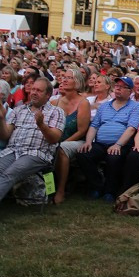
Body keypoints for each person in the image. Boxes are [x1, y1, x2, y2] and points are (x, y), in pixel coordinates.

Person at [0, 77, 65, 226]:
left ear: (48, 95)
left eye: (39, 90)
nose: (34, 92)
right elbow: (5, 136)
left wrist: (41, 125)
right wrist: (1, 119)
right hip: (12, 150)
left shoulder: (56, 112)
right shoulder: (19, 110)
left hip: (36, 153)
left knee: (10, 173)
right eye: (33, 89)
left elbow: (54, 139)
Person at [77, 76, 139, 202]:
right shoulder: (104, 106)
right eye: (117, 86)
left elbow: (131, 129)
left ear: (130, 91)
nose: (118, 89)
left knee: (114, 157)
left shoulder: (135, 107)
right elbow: (94, 125)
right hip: (100, 143)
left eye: (123, 87)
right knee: (83, 154)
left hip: (121, 144)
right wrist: (88, 142)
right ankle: (97, 186)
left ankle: (110, 191)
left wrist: (118, 144)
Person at [50, 68, 92, 205]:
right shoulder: (55, 102)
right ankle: (47, 187)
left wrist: (63, 142)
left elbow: (81, 131)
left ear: (78, 82)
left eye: (69, 78)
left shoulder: (83, 103)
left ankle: (61, 190)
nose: (65, 80)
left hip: (76, 140)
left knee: (61, 149)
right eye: (64, 77)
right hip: (55, 138)